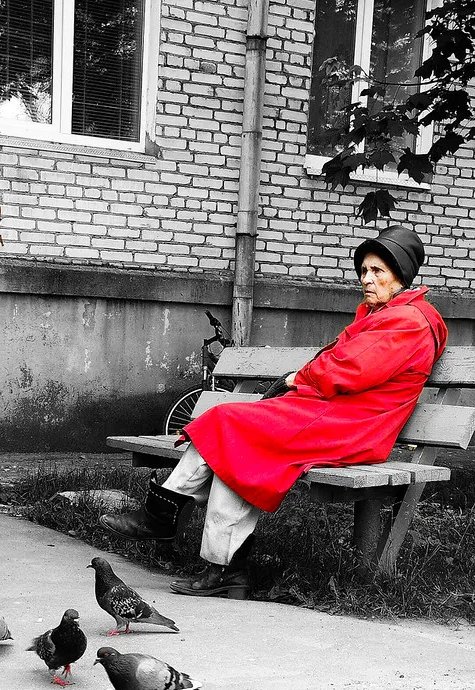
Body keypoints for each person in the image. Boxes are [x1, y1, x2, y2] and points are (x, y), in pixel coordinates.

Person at [100, 225, 448, 599]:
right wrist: (303, 380)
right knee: (234, 445)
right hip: (332, 416)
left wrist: (298, 376)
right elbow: (342, 366)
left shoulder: (408, 321)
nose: (366, 278)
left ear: (402, 275)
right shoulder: (387, 315)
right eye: (363, 270)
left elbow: (347, 370)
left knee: (227, 421)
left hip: (351, 427)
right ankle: (225, 569)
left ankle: (164, 516)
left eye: (378, 271)